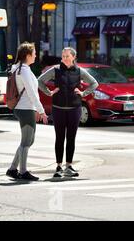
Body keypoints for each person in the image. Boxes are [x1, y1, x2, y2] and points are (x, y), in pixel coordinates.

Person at [38, 47, 98, 178]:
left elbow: (94, 83)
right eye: (63, 55)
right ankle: (58, 166)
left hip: (75, 109)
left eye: (67, 56)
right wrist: (49, 92)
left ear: (73, 57)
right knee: (59, 138)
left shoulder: (79, 71)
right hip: (58, 109)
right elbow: (40, 81)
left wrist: (83, 93)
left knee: (71, 138)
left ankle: (69, 166)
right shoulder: (55, 70)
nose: (64, 58)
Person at [6, 42, 48, 181]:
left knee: (27, 141)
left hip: (23, 108)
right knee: (26, 142)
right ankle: (23, 172)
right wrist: (41, 111)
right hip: (25, 109)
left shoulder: (18, 68)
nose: (36, 55)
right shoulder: (23, 70)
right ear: (28, 55)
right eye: (34, 53)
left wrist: (36, 109)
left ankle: (13, 169)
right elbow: (31, 92)